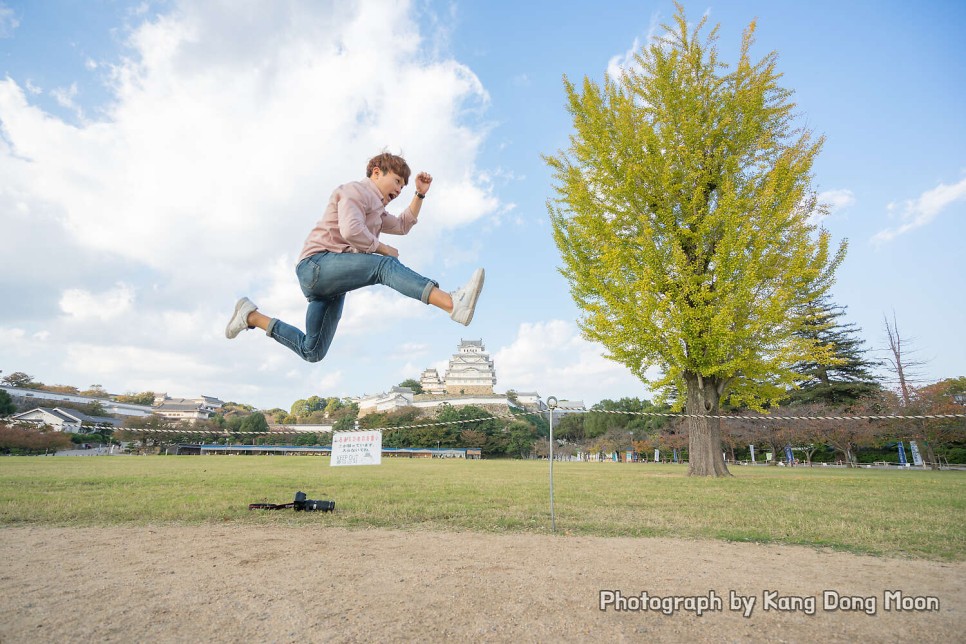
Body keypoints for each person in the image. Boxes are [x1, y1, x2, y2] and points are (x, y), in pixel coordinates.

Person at [225, 152, 484, 363]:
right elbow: (351, 231)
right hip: (316, 266)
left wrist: (420, 194)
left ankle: (251, 316)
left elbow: (403, 225)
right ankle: (452, 303)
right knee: (384, 265)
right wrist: (382, 248)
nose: (399, 189)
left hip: (330, 285)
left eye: (403, 187)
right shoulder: (354, 192)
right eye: (396, 181)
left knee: (312, 351)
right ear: (376, 172)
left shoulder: (378, 211)